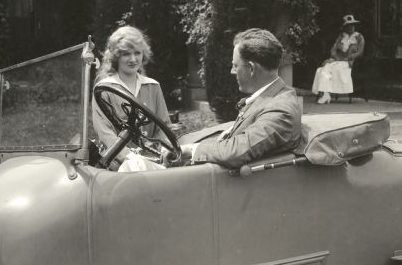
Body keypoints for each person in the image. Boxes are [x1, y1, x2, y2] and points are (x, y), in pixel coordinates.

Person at [178, 28, 302, 169]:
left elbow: (237, 151)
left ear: (251, 68)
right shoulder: (271, 97)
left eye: (235, 65)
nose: (232, 71)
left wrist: (190, 150)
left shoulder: (280, 110)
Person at [92, 25, 170, 172]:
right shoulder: (104, 89)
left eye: (137, 53)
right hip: (115, 162)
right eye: (126, 54)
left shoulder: (153, 87)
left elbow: (163, 127)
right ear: (116, 56)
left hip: (150, 159)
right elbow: (105, 132)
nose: (133, 59)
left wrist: (163, 150)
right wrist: (129, 157)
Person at [311, 14, 365, 104]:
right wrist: (335, 57)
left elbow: (360, 52)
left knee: (328, 69)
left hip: (348, 62)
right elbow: (333, 49)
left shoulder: (359, 37)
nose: (350, 27)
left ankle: (325, 94)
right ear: (345, 27)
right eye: (348, 25)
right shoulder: (341, 37)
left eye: (352, 25)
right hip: (338, 60)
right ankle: (326, 93)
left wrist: (350, 57)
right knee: (321, 69)